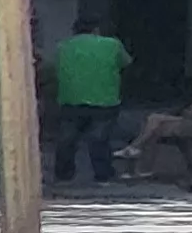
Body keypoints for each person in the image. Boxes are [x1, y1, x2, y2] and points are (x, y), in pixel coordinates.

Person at [52, 17, 135, 183]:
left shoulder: (62, 47)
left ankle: (63, 174)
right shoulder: (112, 45)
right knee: (99, 139)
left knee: (67, 138)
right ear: (96, 29)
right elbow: (126, 63)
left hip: (71, 100)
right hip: (105, 100)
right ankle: (103, 174)